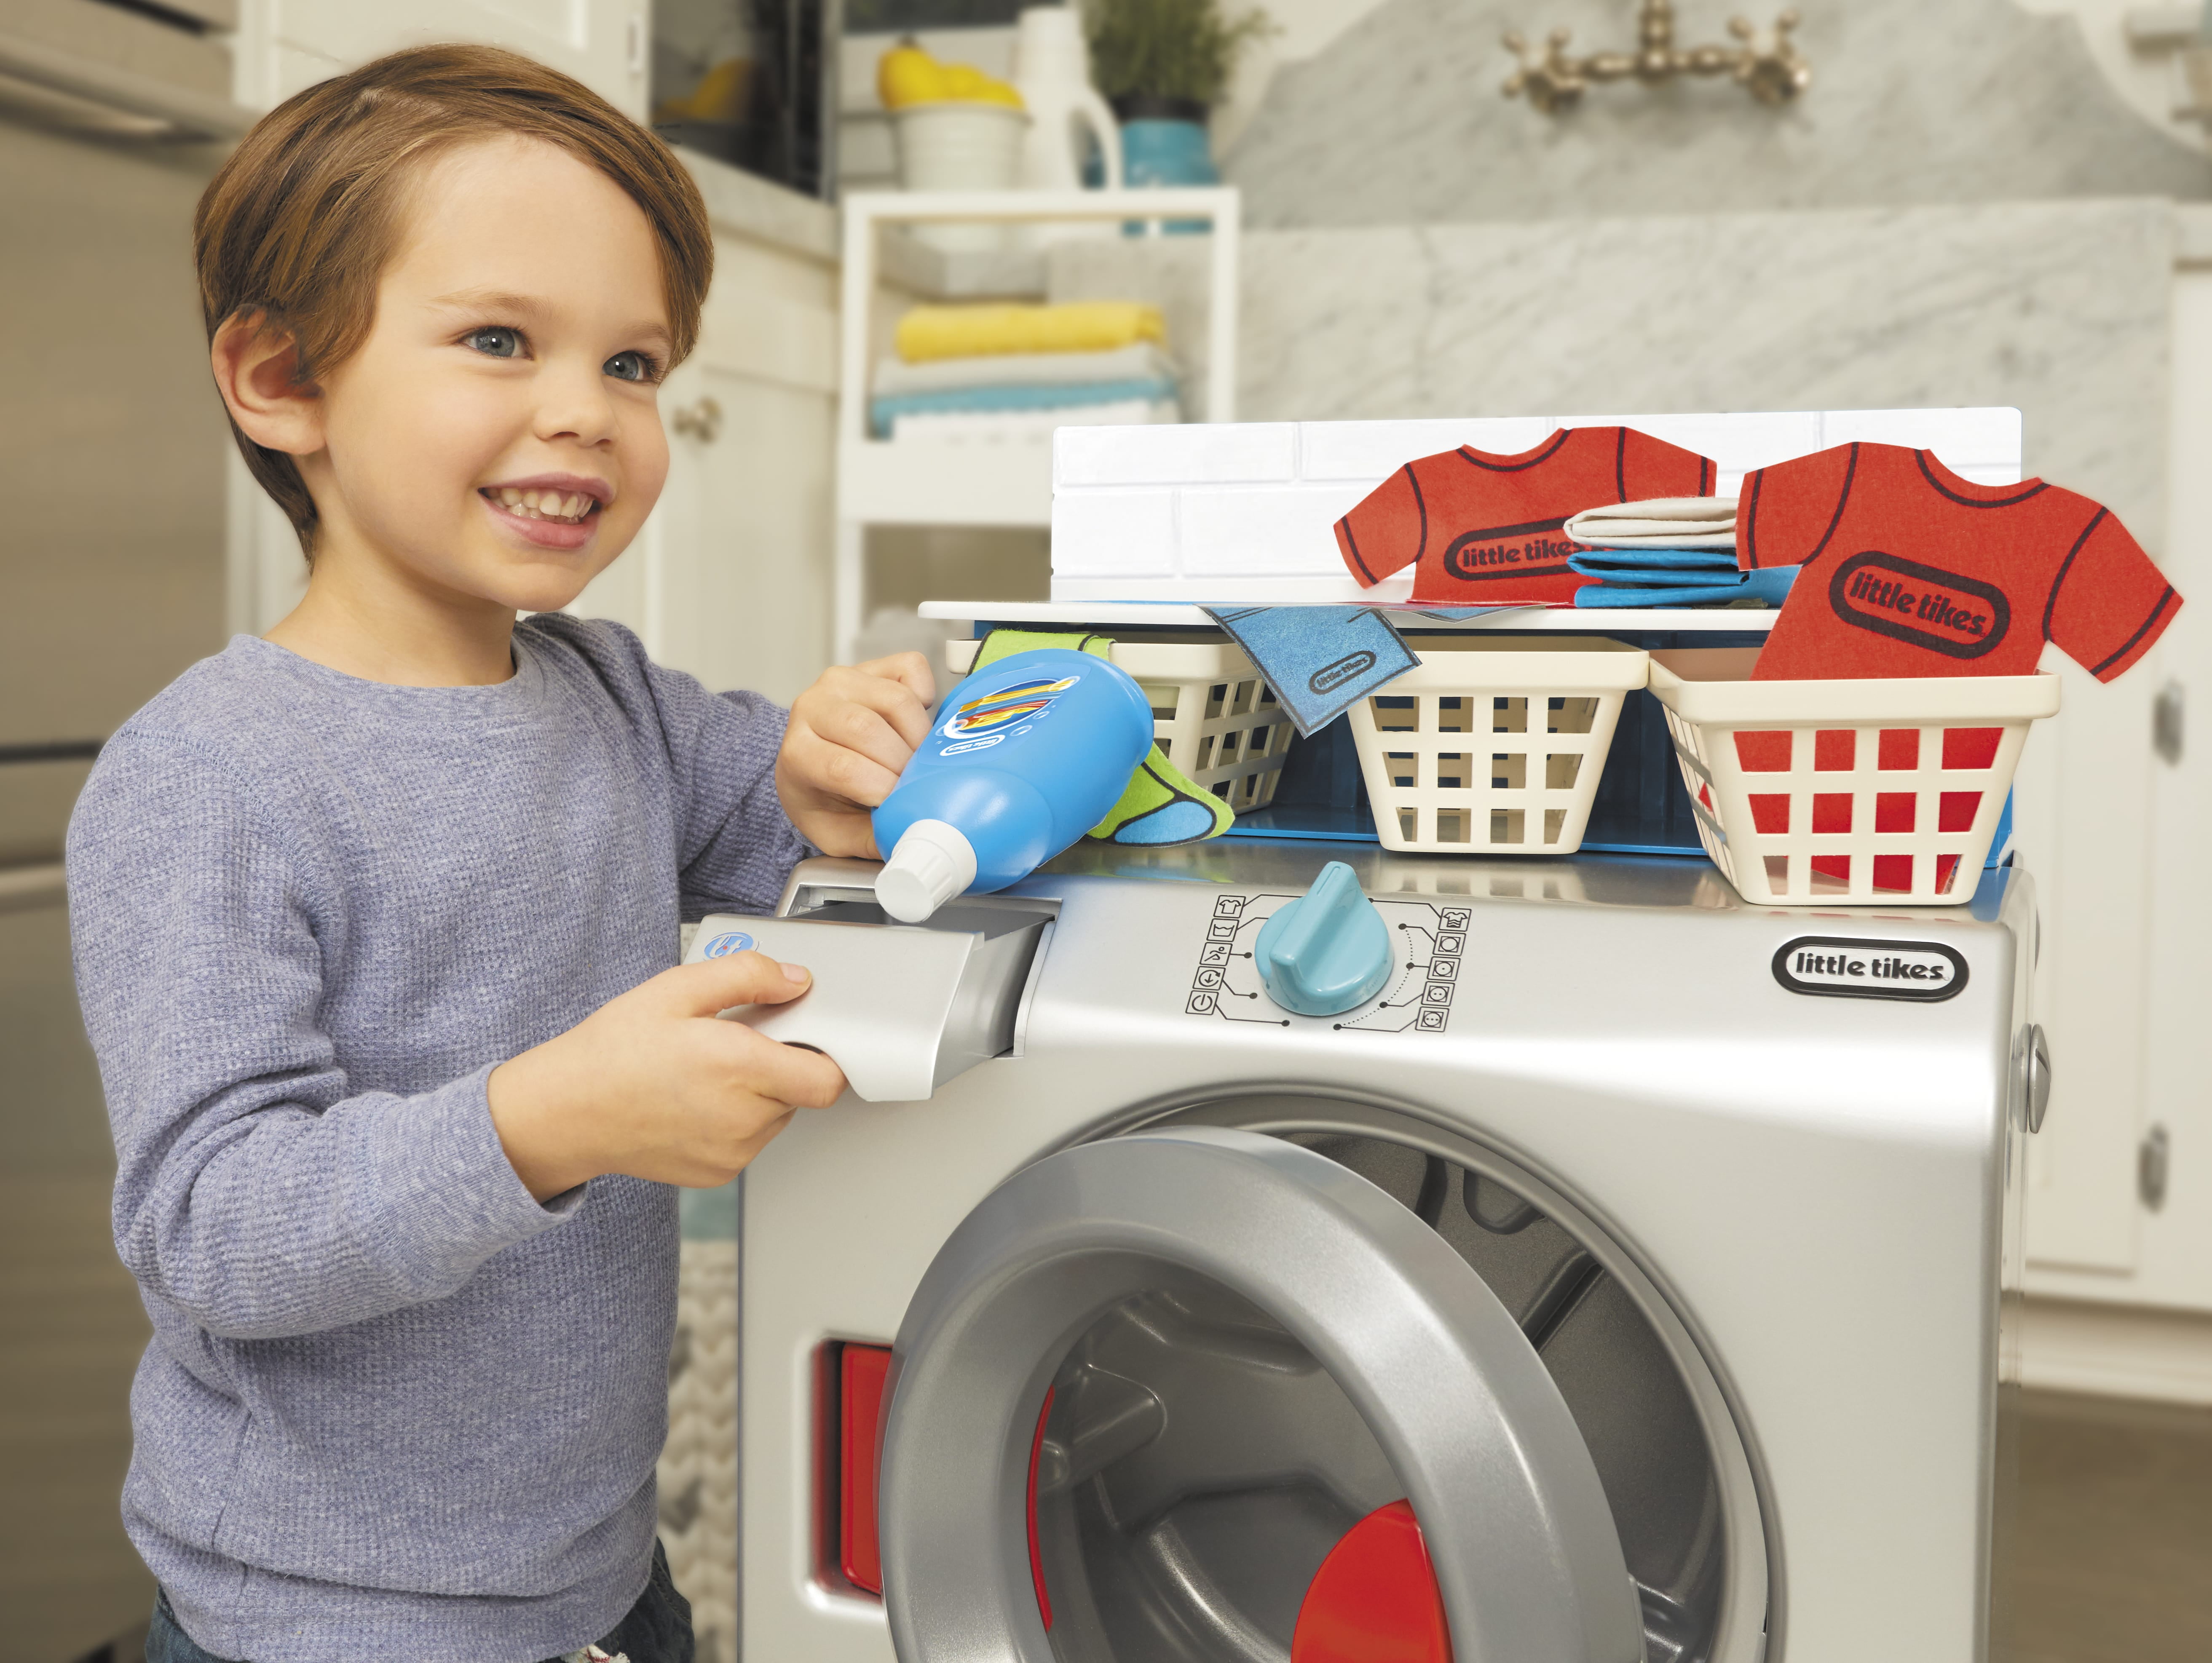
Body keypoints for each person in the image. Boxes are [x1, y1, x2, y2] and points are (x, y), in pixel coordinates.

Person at [64, 43, 932, 1663]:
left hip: (595, 1571)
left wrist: (841, 759)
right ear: (280, 381)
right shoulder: (207, 778)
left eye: (632, 363)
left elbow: (792, 824)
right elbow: (214, 1223)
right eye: (496, 340)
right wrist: (552, 1118)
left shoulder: (605, 694)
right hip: (322, 1618)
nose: (584, 414)